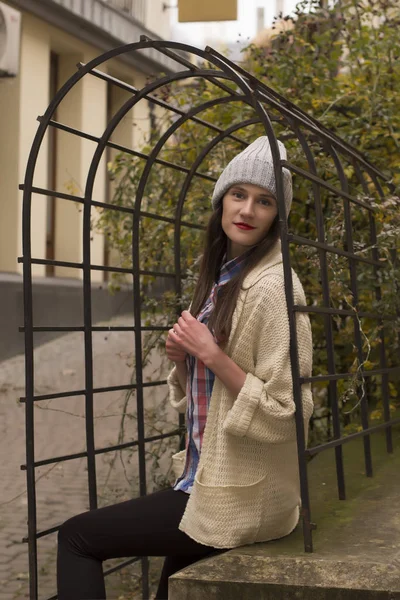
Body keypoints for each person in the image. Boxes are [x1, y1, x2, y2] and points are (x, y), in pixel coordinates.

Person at [57, 136, 314, 600]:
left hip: (237, 498)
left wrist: (213, 356)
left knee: (77, 539)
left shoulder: (276, 289)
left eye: (264, 201)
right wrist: (185, 360)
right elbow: (207, 395)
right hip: (207, 482)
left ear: (278, 217)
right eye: (239, 194)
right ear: (220, 203)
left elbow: (288, 411)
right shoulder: (222, 277)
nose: (248, 210)